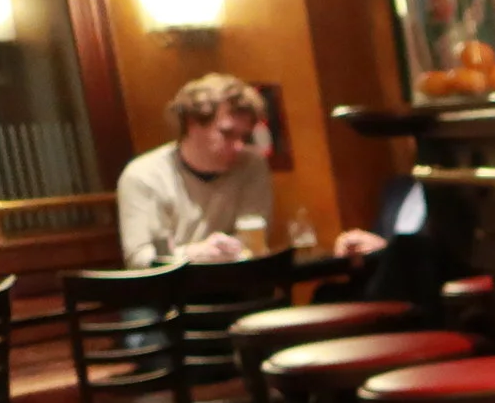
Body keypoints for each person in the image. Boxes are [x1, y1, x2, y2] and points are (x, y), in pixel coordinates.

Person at [117, 73, 387, 268]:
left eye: (244, 137)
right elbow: (139, 259)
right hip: (166, 300)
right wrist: (194, 253)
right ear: (191, 123)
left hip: (235, 288)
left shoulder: (251, 165)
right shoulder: (144, 175)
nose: (237, 146)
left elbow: (253, 243)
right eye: (226, 133)